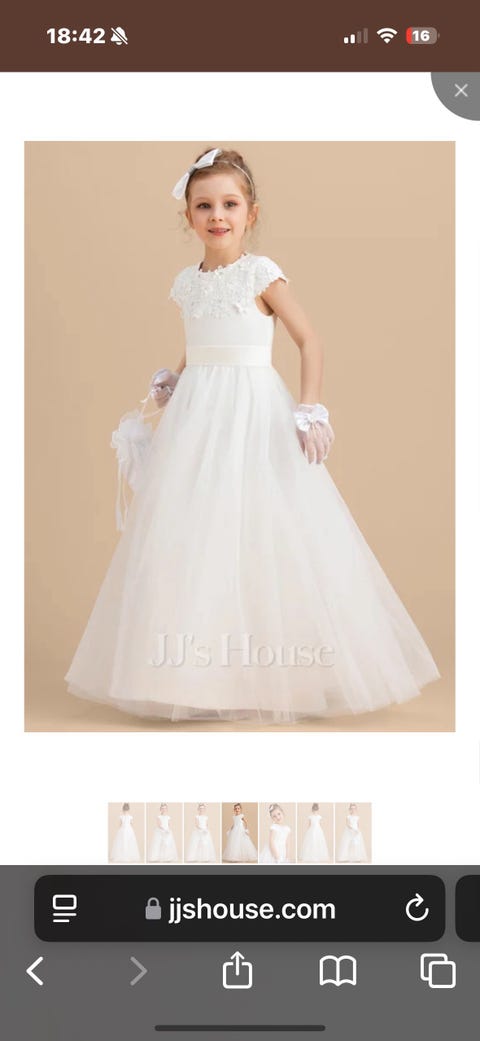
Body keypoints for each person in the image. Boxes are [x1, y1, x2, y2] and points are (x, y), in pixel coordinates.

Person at [66, 146, 439, 723]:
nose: (217, 215)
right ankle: (201, 676)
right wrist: (176, 378)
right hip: (198, 415)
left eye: (230, 204)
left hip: (252, 411)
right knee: (197, 530)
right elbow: (200, 341)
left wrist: (310, 408)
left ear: (251, 213)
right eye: (204, 206)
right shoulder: (186, 283)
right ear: (188, 216)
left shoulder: (261, 274)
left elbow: (308, 339)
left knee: (264, 525)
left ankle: (275, 672)